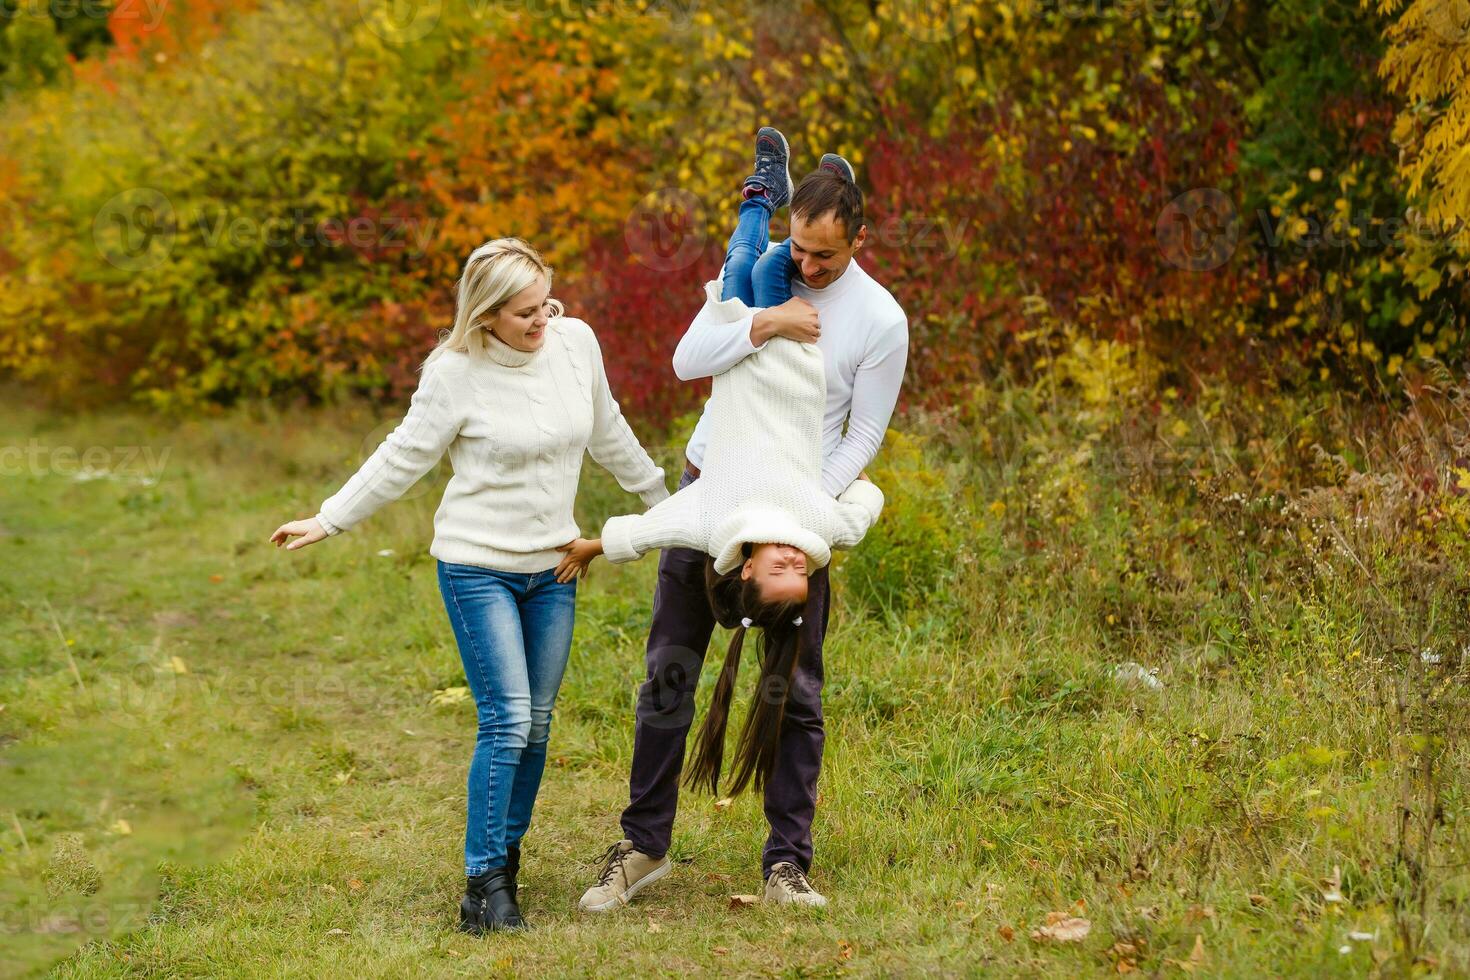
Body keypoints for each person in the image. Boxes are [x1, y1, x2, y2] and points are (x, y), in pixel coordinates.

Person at [268, 238, 668, 935]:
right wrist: (329, 518)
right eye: (522, 314)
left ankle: (501, 868)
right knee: (508, 718)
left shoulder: (575, 344)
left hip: (554, 568)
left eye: (545, 303)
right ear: (484, 316)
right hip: (477, 565)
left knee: (538, 726)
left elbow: (610, 433)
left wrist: (665, 503)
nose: (540, 321)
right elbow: (403, 456)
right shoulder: (456, 371)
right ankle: (484, 882)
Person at [570, 126, 910, 911]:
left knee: (793, 693)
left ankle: (787, 862)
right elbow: (691, 359)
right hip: (710, 485)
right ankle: (643, 846)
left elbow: (863, 434)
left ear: (860, 239)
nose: (809, 267)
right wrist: (763, 322)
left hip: (798, 523)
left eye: (827, 257)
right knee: (669, 673)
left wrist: (799, 510)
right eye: (800, 247)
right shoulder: (763, 278)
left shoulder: (879, 320)